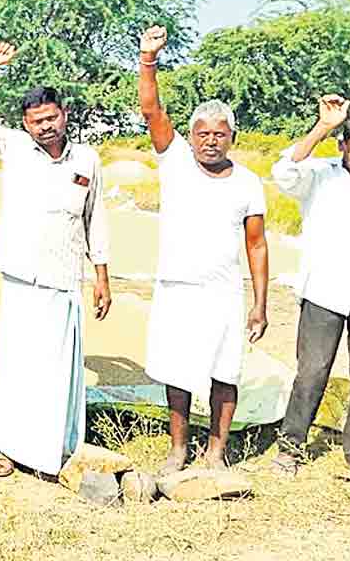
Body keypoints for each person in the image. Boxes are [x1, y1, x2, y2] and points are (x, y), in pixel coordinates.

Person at [0, 42, 111, 479]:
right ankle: (7, 449)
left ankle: (51, 452)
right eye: (36, 121)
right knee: (18, 368)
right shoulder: (15, 146)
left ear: (63, 115)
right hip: (22, 276)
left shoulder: (87, 159)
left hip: (65, 279)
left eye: (50, 118)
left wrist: (101, 277)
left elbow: (94, 218)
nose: (44, 127)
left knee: (58, 370)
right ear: (26, 125)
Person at [137, 25, 268, 474]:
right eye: (203, 133)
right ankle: (178, 449)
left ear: (232, 136)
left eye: (220, 133)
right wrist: (148, 59)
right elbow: (151, 109)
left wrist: (261, 304)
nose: (211, 140)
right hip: (177, 288)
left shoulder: (249, 182)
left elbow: (257, 245)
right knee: (177, 372)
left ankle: (216, 450)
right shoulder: (174, 161)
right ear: (191, 136)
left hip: (223, 294)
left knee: (224, 372)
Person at [270, 94, 350, 482]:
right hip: (324, 292)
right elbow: (284, 171)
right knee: (312, 371)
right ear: (343, 146)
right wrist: (323, 126)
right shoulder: (319, 175)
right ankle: (290, 449)